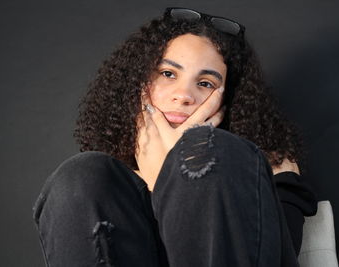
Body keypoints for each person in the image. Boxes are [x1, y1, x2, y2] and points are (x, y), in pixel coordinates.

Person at [32, 7, 317, 267]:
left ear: (228, 100)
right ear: (139, 84)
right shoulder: (105, 185)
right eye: (168, 73)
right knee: (83, 172)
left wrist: (171, 174)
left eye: (205, 83)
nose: (183, 95)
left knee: (212, 152)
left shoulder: (270, 169)